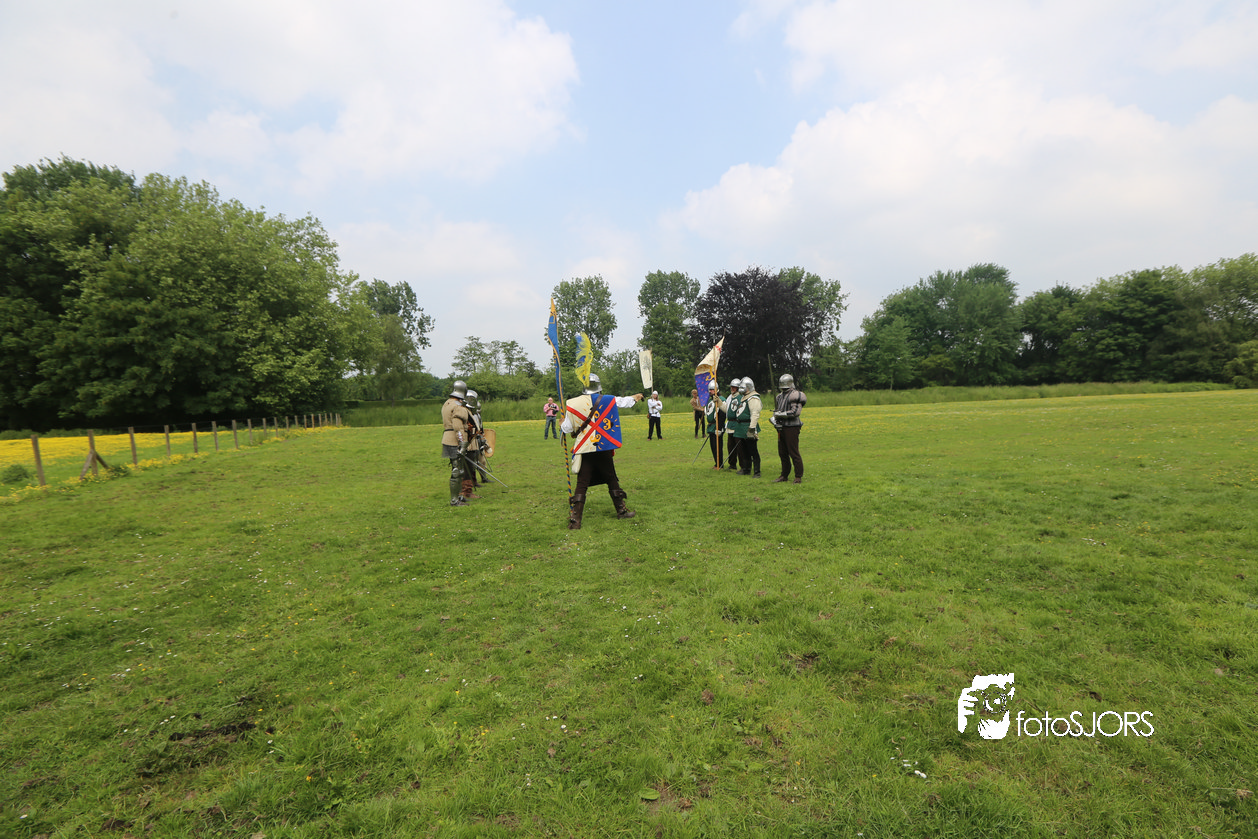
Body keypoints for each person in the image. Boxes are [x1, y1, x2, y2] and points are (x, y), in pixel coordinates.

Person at [560, 374, 644, 529]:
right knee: (611, 478)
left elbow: (567, 428)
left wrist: (561, 423)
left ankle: (575, 521)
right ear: (598, 385)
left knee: (582, 483)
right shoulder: (608, 399)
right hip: (603, 446)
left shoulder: (573, 403)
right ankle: (621, 511)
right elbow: (624, 402)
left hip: (585, 448)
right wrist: (635, 397)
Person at [440, 380, 474, 506]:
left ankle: (459, 496)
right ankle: (454, 500)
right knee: (457, 471)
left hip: (448, 438)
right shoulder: (458, 406)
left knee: (459, 470)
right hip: (454, 440)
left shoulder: (447, 403)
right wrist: (462, 443)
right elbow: (458, 426)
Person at [771, 374, 807, 483]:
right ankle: (784, 475)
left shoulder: (795, 395)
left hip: (792, 427)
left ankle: (798, 476)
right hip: (781, 427)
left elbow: (795, 412)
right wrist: (774, 420)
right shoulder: (779, 396)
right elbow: (777, 412)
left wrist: (780, 414)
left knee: (793, 452)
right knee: (782, 453)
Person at [732, 377, 762, 477]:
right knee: (744, 450)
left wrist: (751, 429)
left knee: (753, 450)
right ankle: (746, 469)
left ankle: (757, 472)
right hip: (741, 427)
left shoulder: (753, 398)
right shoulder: (744, 397)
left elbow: (755, 414)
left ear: (748, 387)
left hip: (748, 426)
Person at [703, 381, 725, 468]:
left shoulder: (721, 399)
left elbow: (722, 414)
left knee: (717, 447)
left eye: (712, 389)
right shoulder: (710, 401)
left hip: (717, 425)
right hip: (711, 426)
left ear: (716, 389)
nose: (710, 391)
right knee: (713, 446)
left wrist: (719, 427)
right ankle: (717, 463)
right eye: (709, 390)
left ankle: (720, 464)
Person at [723, 378, 742, 470]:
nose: (732, 388)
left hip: (737, 424)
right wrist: (719, 402)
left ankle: (743, 466)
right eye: (731, 387)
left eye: (734, 387)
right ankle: (732, 464)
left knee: (739, 447)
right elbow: (727, 409)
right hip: (730, 424)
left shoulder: (741, 397)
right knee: (730, 446)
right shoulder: (729, 397)